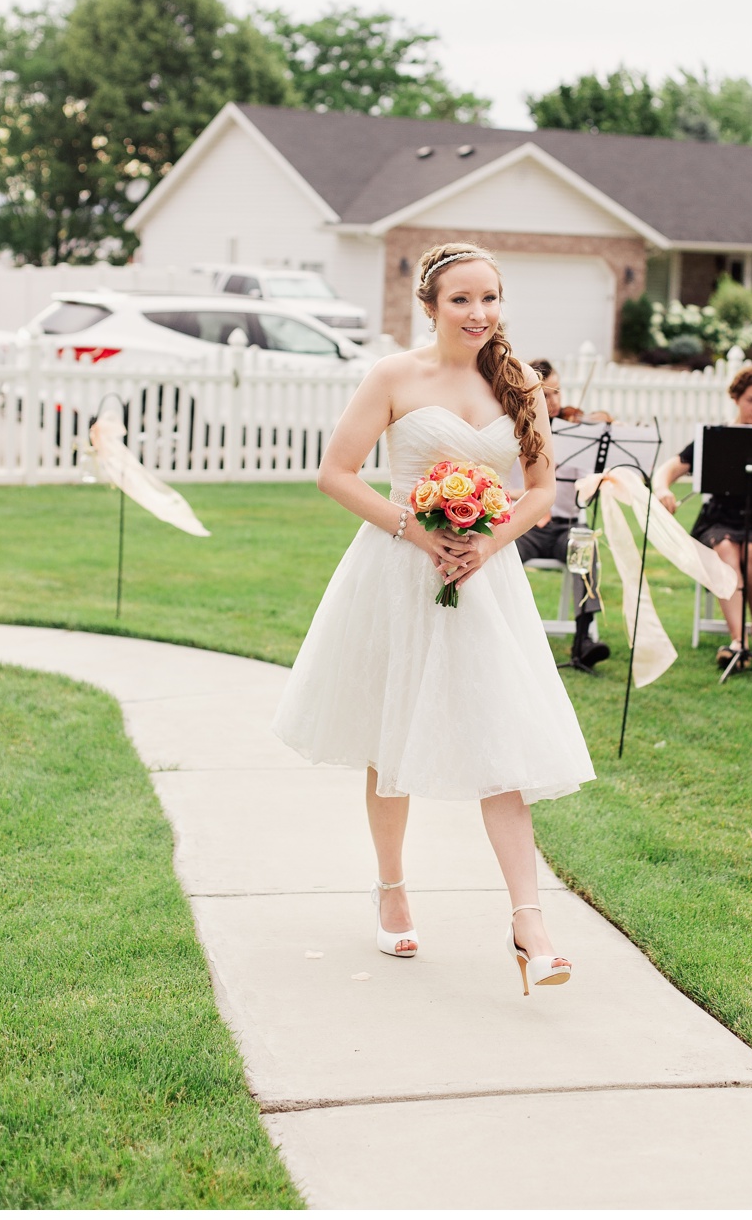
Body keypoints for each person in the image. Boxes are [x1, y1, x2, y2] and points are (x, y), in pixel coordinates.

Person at [271, 243, 590, 995]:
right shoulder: (392, 376)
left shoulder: (520, 386)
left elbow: (540, 491)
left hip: (484, 577)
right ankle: (391, 889)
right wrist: (420, 533)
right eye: (462, 300)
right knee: (392, 733)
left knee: (499, 737)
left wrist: (488, 541)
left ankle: (530, 925)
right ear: (429, 306)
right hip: (397, 571)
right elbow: (335, 472)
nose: (479, 314)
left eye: (490, 299)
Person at [652, 364, 752, 671]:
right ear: (736, 399)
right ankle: (738, 641)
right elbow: (670, 468)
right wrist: (662, 489)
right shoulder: (715, 437)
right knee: (724, 550)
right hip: (720, 519)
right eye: (750, 400)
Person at [512, 358, 616, 673]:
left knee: (587, 548)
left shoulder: (578, 434)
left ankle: (583, 640)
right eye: (545, 393)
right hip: (524, 525)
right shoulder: (513, 431)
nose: (554, 401)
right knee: (501, 553)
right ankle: (511, 635)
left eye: (557, 392)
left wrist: (597, 477)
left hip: (565, 527)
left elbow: (587, 488)